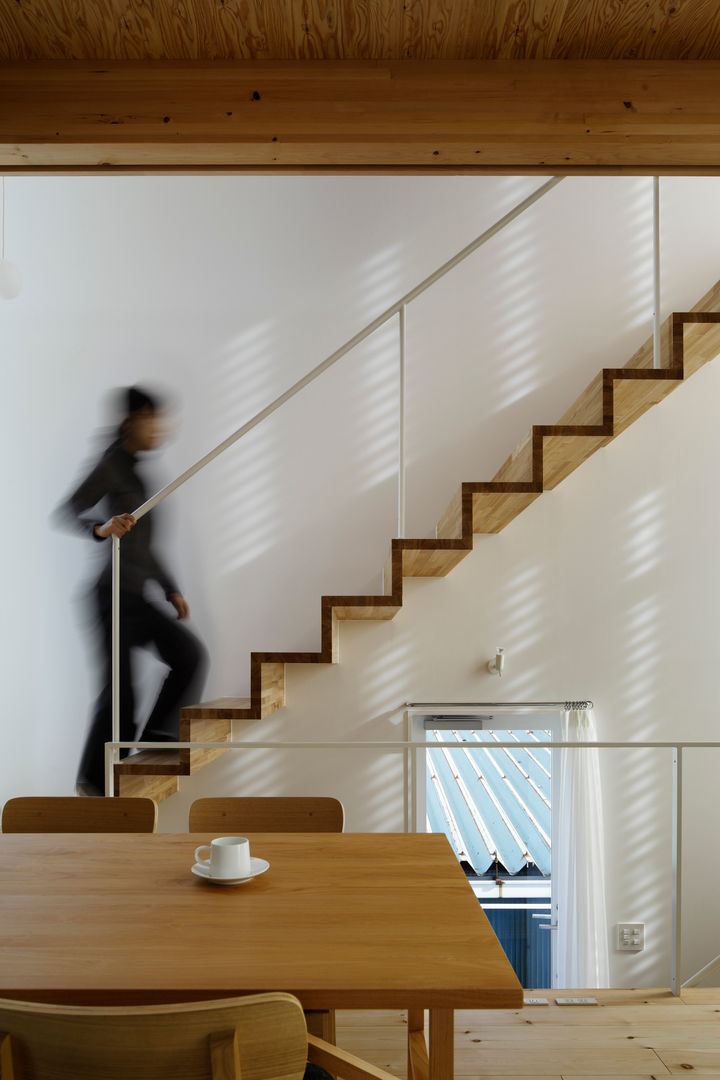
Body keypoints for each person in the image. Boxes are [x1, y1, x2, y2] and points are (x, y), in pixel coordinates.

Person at [58, 386, 207, 796]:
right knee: (119, 697)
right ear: (135, 419)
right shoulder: (112, 465)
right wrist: (102, 529)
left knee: (188, 655)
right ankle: (92, 783)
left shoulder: (138, 473)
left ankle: (157, 741)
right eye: (155, 419)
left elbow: (144, 547)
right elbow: (69, 510)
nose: (161, 428)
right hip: (110, 597)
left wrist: (170, 588)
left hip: (135, 596)